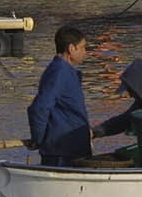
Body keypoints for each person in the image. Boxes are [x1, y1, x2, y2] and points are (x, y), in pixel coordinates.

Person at [26, 26, 94, 166]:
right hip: (62, 152)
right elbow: (39, 108)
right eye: (82, 48)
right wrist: (39, 139)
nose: (85, 52)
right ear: (71, 48)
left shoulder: (66, 72)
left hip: (72, 148)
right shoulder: (59, 72)